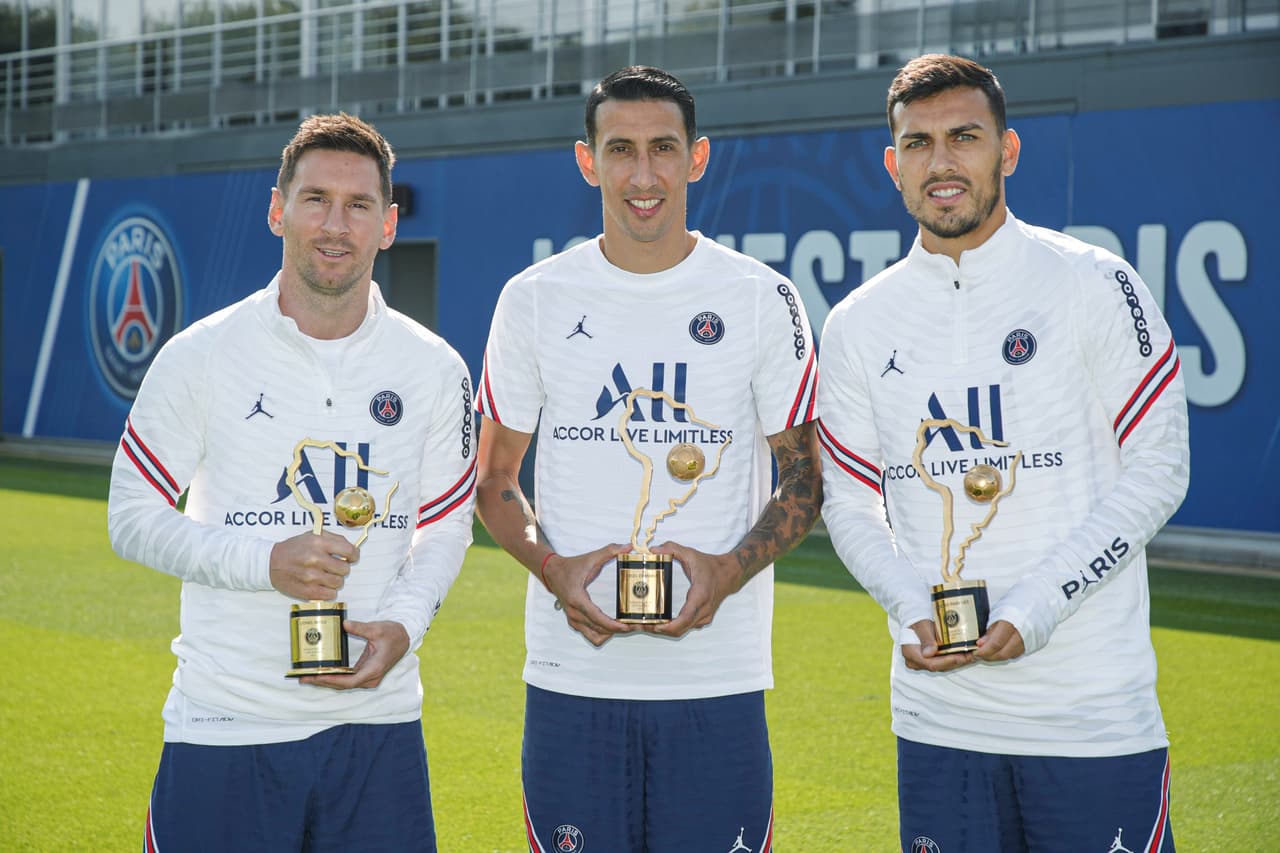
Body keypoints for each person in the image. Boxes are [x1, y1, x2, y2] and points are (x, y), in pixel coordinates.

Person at [817, 54, 1188, 852]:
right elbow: (848, 502)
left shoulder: (1092, 281)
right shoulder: (856, 322)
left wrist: (1035, 607)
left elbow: (1161, 468)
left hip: (1093, 721)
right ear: (892, 165)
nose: (941, 163)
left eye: (964, 137)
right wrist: (911, 605)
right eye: (918, 144)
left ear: (1007, 151)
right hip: (938, 723)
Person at [474, 66, 822, 852]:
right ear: (586, 160)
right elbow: (495, 478)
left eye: (663, 148)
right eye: (620, 149)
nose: (643, 174)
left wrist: (727, 570)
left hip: (718, 682)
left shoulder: (762, 298)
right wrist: (554, 568)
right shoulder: (533, 298)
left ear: (697, 158)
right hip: (573, 680)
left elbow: (805, 480)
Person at [107, 112, 476, 852]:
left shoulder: (436, 368)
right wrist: (265, 562)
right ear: (278, 210)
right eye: (315, 200)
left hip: (377, 726)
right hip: (225, 721)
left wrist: (404, 626)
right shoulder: (200, 354)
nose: (335, 224)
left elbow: (445, 526)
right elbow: (131, 516)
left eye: (359, 204)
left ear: (389, 224)